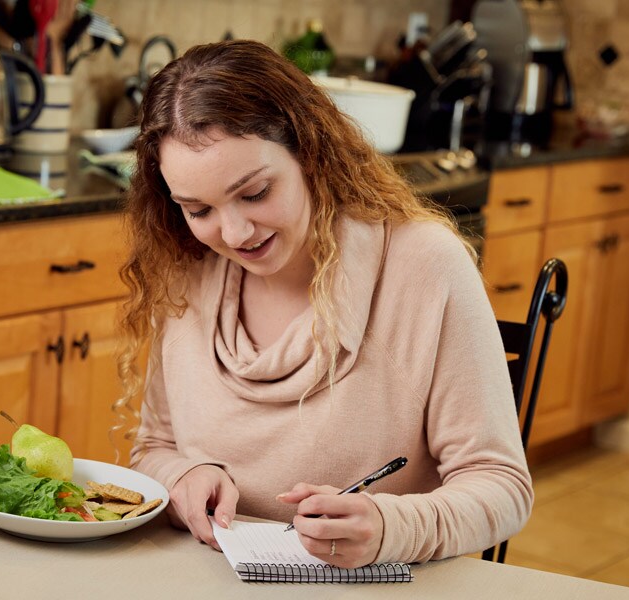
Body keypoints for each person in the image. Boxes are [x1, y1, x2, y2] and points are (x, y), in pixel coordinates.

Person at [114, 39, 532, 569]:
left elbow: (503, 487)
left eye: (256, 192)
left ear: (310, 153)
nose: (235, 233)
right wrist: (182, 479)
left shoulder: (424, 264)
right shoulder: (186, 268)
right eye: (199, 209)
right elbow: (154, 447)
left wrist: (388, 528)